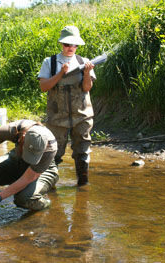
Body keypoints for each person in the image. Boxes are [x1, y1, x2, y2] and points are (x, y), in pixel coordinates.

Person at [38, 25, 96, 186]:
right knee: (53, 153)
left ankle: (83, 187)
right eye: (67, 44)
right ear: (61, 44)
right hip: (56, 119)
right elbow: (44, 87)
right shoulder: (50, 62)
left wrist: (86, 73)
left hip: (82, 116)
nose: (71, 48)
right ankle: (48, 187)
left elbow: (86, 88)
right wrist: (60, 74)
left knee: (82, 152)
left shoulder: (84, 62)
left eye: (74, 45)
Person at [0, 119, 59, 219]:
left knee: (24, 198)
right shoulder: (15, 129)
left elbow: (26, 179)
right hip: (17, 160)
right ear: (21, 139)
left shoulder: (51, 147)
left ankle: (46, 203)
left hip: (42, 171)